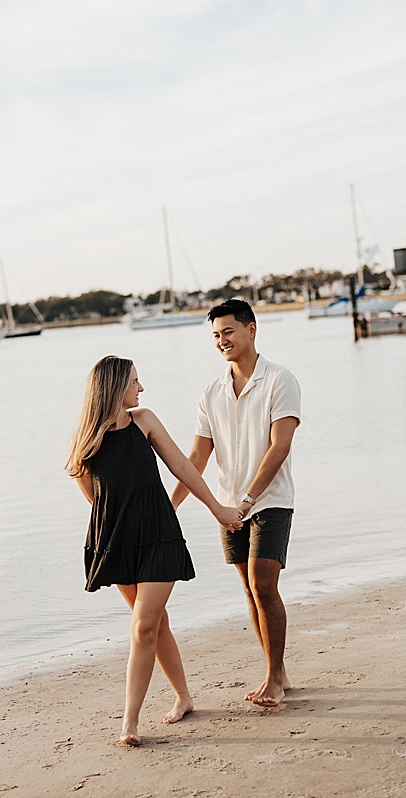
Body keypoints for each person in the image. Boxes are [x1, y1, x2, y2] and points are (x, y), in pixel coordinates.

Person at [65, 356, 242, 747]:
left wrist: (217, 509)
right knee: (155, 623)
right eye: (134, 382)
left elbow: (183, 466)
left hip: (159, 533)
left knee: (143, 626)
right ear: (113, 387)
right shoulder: (86, 440)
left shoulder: (143, 420)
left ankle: (129, 721)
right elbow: (96, 500)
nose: (140, 389)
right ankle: (184, 697)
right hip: (116, 541)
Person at [171, 301, 301, 708]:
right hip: (229, 507)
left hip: (270, 501)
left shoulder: (280, 379)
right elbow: (195, 460)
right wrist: (168, 506)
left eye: (228, 331)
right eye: (215, 335)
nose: (222, 341)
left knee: (264, 584)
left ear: (251, 329)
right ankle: (275, 670)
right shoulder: (211, 393)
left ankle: (274, 677)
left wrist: (249, 498)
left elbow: (280, 446)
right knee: (248, 590)